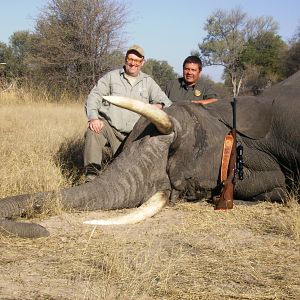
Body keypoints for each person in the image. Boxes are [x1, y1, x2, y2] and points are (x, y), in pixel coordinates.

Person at [84, 44, 172, 182]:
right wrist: (93, 118)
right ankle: (91, 178)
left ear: (142, 62)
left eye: (137, 61)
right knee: (93, 132)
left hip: (136, 136)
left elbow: (166, 103)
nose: (133, 63)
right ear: (125, 60)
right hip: (112, 129)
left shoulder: (148, 82)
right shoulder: (111, 77)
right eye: (130, 59)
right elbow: (94, 96)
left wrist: (157, 106)